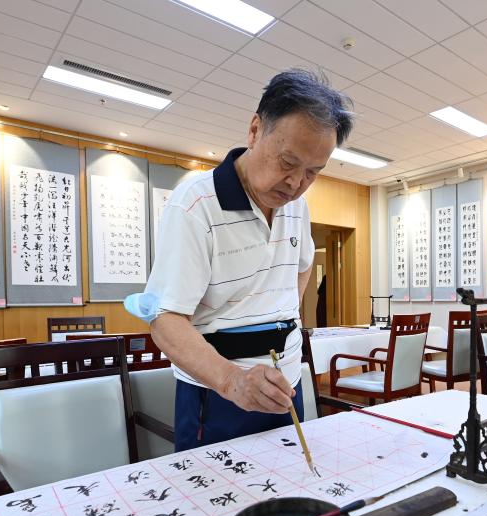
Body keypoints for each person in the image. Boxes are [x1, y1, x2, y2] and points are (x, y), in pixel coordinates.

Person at [126, 69, 353, 451]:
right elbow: (165, 321)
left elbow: (302, 265)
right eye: (287, 162)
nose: (296, 183)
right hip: (216, 394)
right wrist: (233, 382)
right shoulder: (195, 205)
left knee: (288, 494)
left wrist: (286, 316)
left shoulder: (298, 207)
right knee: (217, 502)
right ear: (254, 131)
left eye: (313, 172)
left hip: (286, 383)